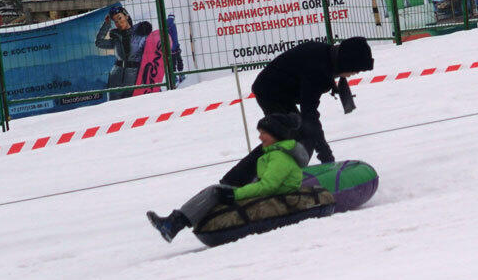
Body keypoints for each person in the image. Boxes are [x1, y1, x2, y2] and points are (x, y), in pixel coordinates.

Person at [220, 37, 374, 187]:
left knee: (300, 137)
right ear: (347, 62)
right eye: (356, 69)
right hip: (270, 91)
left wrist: (325, 155)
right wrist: (327, 158)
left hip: (283, 93)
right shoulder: (318, 67)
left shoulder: (327, 58)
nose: (356, 73)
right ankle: (234, 182)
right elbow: (310, 115)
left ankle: (277, 176)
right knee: (288, 137)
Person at [147, 114, 307, 242]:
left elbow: (267, 186)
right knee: (218, 191)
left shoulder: (280, 157)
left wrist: (235, 194)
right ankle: (175, 223)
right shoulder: (273, 154)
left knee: (215, 192)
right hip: (271, 194)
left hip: (274, 197)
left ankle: (173, 224)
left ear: (276, 134)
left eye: (263, 133)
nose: (260, 137)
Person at [95, 5, 153, 99]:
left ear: (126, 16)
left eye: (120, 18)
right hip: (115, 78)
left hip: (134, 78)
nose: (118, 22)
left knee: (133, 105)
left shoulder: (141, 34)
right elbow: (99, 42)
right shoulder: (116, 38)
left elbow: (152, 53)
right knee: (115, 105)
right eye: (115, 21)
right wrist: (106, 24)